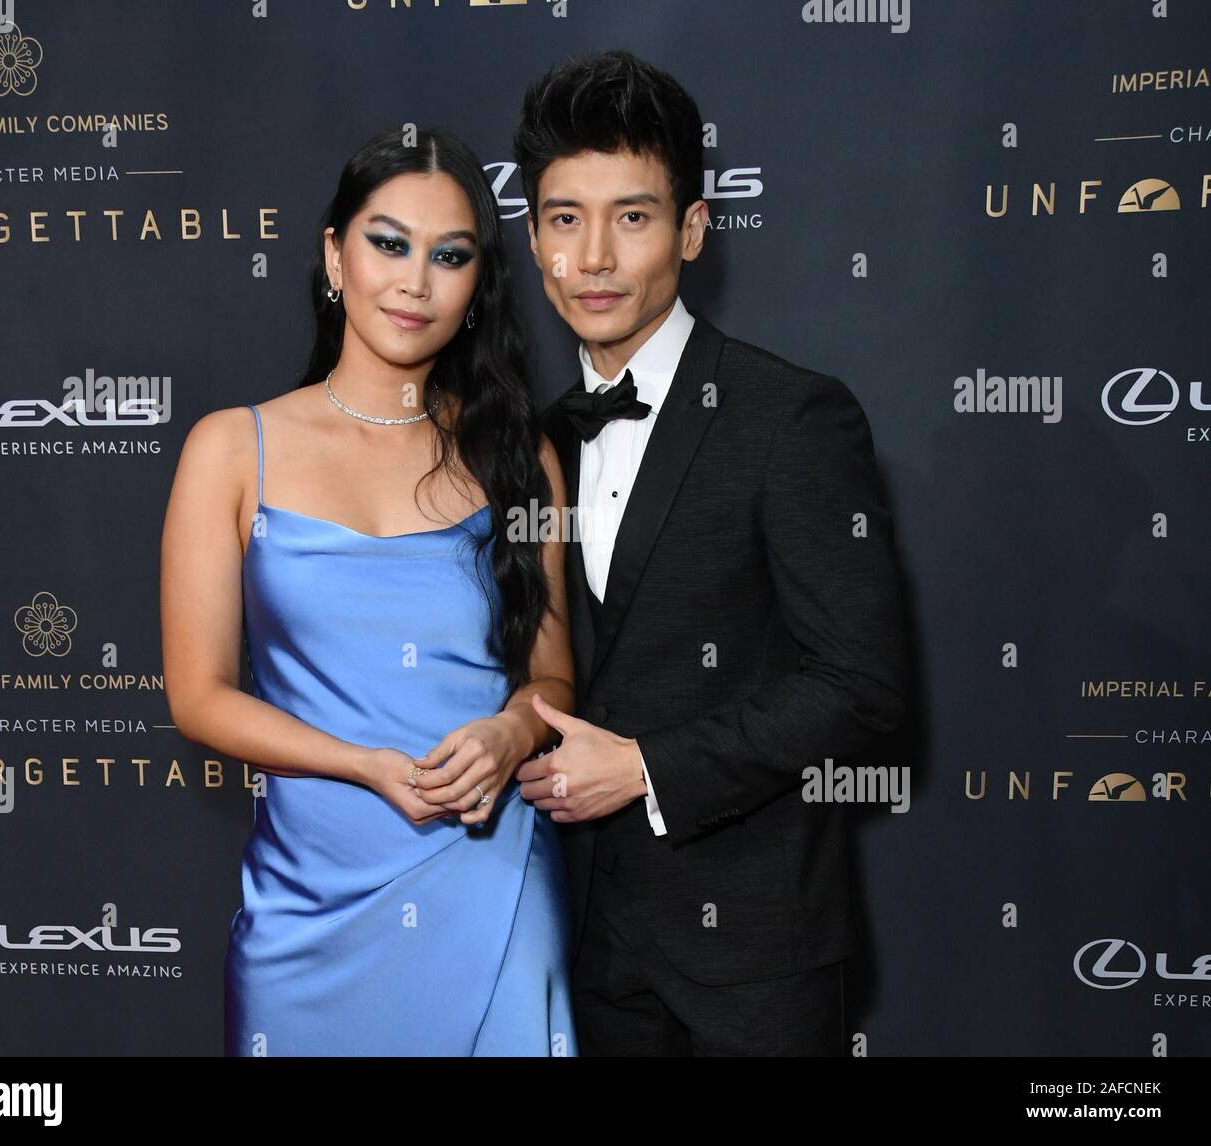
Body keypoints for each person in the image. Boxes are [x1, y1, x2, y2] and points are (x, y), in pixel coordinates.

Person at [511, 50, 909, 1055]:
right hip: (578, 949)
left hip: (754, 961)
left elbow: (859, 686)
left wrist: (649, 768)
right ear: (532, 239)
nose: (594, 255)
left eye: (632, 216)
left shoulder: (792, 417)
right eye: (565, 218)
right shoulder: (530, 443)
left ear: (691, 229)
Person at [159, 126, 578, 1056]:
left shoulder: (519, 458)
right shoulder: (231, 449)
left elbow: (552, 681)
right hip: (309, 902)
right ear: (332, 256)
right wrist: (362, 763)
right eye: (388, 243)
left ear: (478, 288)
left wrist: (512, 732)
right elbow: (197, 697)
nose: (416, 282)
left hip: (488, 873)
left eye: (451, 256)